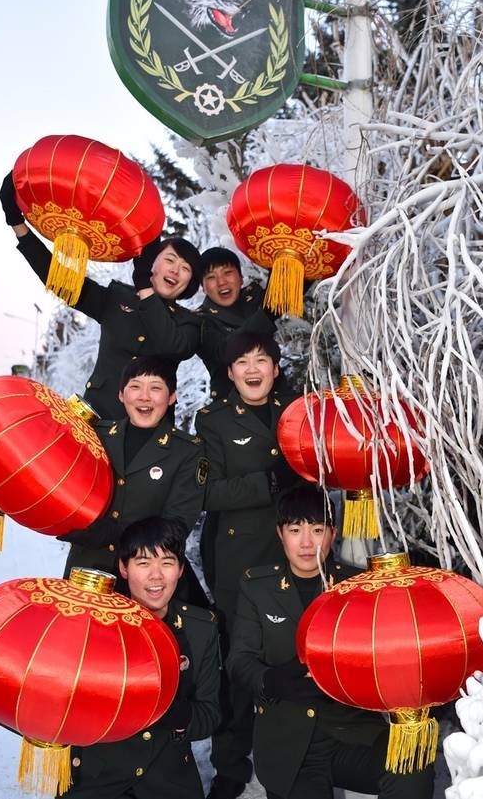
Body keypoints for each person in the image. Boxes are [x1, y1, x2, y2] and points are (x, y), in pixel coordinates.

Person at [227, 486, 435, 799]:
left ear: (333, 533)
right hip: (290, 744)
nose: (307, 542)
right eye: (296, 530)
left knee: (413, 767)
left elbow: (386, 655)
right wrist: (271, 680)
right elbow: (239, 660)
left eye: (317, 529)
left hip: (353, 733)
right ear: (280, 534)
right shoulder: (257, 586)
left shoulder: (358, 586)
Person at [0, 172, 202, 419]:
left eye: (185, 269)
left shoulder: (189, 323)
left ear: (190, 282)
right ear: (153, 263)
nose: (175, 270)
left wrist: (144, 288)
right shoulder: (117, 298)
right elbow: (62, 280)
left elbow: (171, 345)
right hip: (96, 423)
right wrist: (17, 224)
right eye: (170, 260)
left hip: (150, 442)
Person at [195, 331, 298, 799]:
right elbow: (208, 493)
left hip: (299, 556)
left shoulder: (299, 412)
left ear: (276, 369)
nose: (253, 369)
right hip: (239, 562)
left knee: (298, 657)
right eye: (242, 361)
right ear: (230, 372)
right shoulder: (213, 420)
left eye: (262, 359)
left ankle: (299, 756)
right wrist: (267, 483)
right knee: (240, 664)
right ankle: (231, 767)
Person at [66, 516, 221, 799]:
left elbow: (209, 715)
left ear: (181, 569)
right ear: (123, 568)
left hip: (169, 779)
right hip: (98, 777)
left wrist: (178, 715)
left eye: (167, 562)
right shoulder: (93, 622)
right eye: (143, 562)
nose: (156, 576)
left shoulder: (201, 628)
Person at [60, 356, 208, 606]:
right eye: (136, 386)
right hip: (86, 571)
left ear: (172, 397)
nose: (144, 396)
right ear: (121, 395)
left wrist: (117, 533)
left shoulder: (187, 451)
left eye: (156, 387)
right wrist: (65, 522)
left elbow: (177, 525)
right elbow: (61, 485)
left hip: (147, 580)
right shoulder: (96, 436)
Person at [196, 247, 276, 400]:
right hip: (231, 409)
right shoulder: (199, 321)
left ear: (240, 277)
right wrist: (266, 315)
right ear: (203, 287)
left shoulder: (255, 297)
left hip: (277, 399)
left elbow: (289, 291)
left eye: (228, 273)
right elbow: (222, 352)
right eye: (211, 277)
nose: (221, 282)